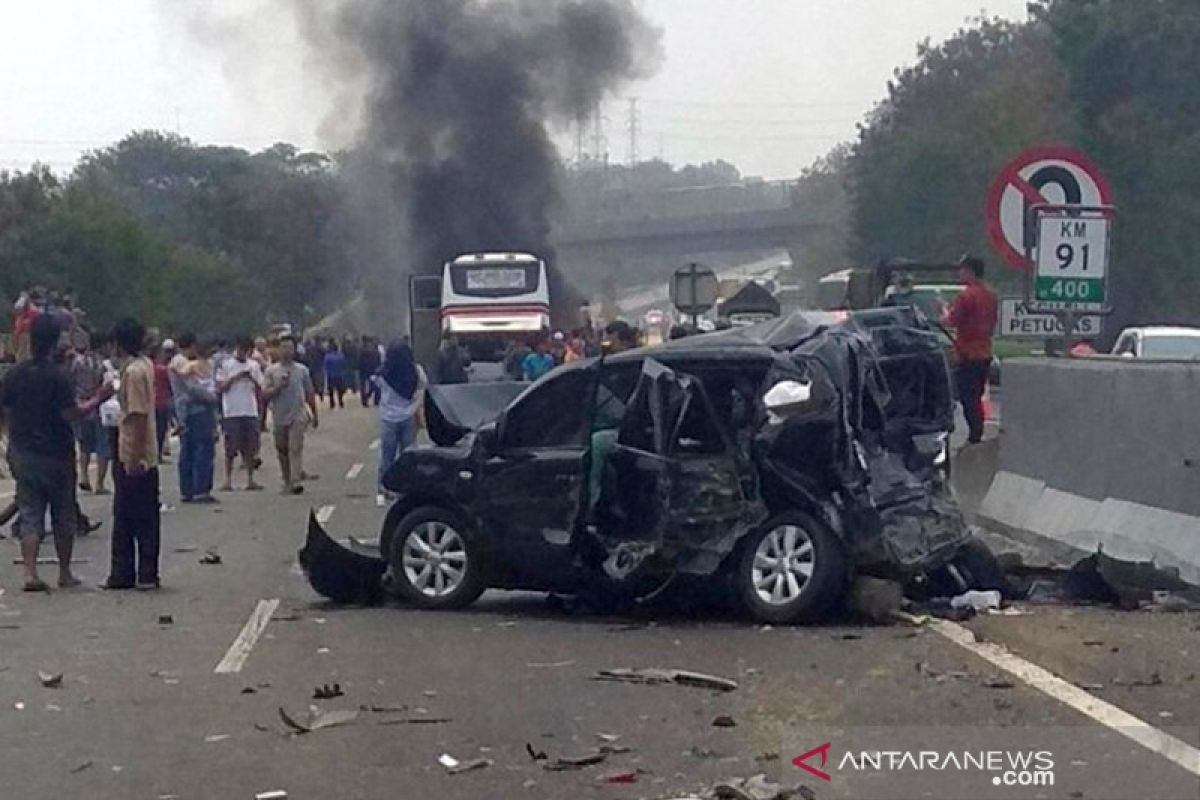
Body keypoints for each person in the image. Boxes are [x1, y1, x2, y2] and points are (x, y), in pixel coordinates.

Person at [0, 315, 110, 591]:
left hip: (24, 452)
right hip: (56, 454)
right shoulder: (58, 377)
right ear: (54, 341)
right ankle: (64, 572)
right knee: (63, 514)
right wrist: (99, 398)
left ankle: (29, 572)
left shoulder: (14, 374)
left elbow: (4, 410)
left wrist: (12, 439)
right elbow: (72, 413)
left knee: (30, 512)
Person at [104, 318, 161, 591]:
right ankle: (127, 573)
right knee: (130, 515)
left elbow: (137, 416)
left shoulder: (134, 373)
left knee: (136, 515)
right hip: (138, 450)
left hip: (134, 453)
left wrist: (134, 457)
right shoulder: (143, 366)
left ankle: (140, 572)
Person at [944, 255, 998, 445]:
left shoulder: (966, 295)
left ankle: (975, 435)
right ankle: (978, 432)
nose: (959, 273)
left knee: (968, 397)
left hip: (967, 353)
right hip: (985, 352)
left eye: (962, 270)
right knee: (976, 394)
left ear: (970, 271)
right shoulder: (991, 294)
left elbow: (952, 321)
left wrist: (944, 312)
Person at [374, 341, 427, 508]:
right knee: (408, 455)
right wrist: (416, 407)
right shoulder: (416, 371)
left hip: (388, 417)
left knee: (387, 456)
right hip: (409, 416)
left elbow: (376, 386)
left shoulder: (383, 373)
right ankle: (407, 489)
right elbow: (423, 387)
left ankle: (384, 489)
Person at [263, 337, 318, 495]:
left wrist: (314, 413)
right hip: (279, 416)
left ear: (295, 350)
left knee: (295, 448)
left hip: (298, 415)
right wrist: (278, 387)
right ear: (278, 350)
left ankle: (295, 481)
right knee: (282, 450)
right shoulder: (271, 371)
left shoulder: (302, 370)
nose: (287, 351)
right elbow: (265, 394)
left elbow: (309, 392)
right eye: (284, 348)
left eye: (290, 348)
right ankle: (287, 480)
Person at [216, 336, 264, 492]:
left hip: (249, 409)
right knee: (230, 447)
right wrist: (236, 377)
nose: (245, 354)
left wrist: (251, 377)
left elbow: (261, 386)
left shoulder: (254, 366)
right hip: (232, 411)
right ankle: (227, 480)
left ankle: (250, 479)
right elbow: (220, 387)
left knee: (250, 447)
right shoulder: (226, 365)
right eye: (243, 350)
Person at [178, 338, 220, 503]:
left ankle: (190, 489)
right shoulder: (190, 367)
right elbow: (192, 389)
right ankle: (199, 490)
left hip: (199, 412)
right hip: (198, 412)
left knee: (192, 451)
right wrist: (212, 398)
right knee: (201, 451)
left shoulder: (209, 365)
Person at [69, 342, 104, 491]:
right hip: (97, 406)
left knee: (85, 445)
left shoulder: (74, 362)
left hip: (80, 404)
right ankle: (99, 484)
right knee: (103, 446)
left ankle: (84, 475)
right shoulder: (100, 362)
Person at [153, 341, 174, 461]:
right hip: (161, 402)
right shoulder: (163, 369)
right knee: (160, 430)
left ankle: (157, 454)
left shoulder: (150, 367)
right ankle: (158, 455)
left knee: (157, 430)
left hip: (155, 401)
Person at [323, 342, 349, 409]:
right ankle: (340, 401)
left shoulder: (328, 356)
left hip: (331, 375)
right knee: (340, 390)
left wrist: (326, 373)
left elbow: (325, 367)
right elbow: (344, 365)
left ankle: (332, 403)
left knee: (331, 390)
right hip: (339, 375)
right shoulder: (341, 356)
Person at [358, 336, 381, 406]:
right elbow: (377, 360)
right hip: (373, 369)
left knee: (363, 386)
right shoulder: (374, 350)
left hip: (364, 370)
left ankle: (364, 400)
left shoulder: (361, 349)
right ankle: (375, 400)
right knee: (374, 385)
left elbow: (359, 360)